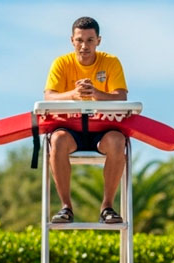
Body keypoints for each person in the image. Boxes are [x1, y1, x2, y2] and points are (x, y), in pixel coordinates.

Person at [44, 16, 128, 225]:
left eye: (90, 40)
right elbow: (49, 96)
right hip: (71, 130)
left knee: (118, 141)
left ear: (98, 41)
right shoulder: (61, 63)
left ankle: (107, 206)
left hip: (103, 130)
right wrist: (73, 94)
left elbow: (121, 97)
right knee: (58, 140)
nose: (84, 46)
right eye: (80, 40)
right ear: (72, 40)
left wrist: (96, 93)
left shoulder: (111, 62)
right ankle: (66, 207)